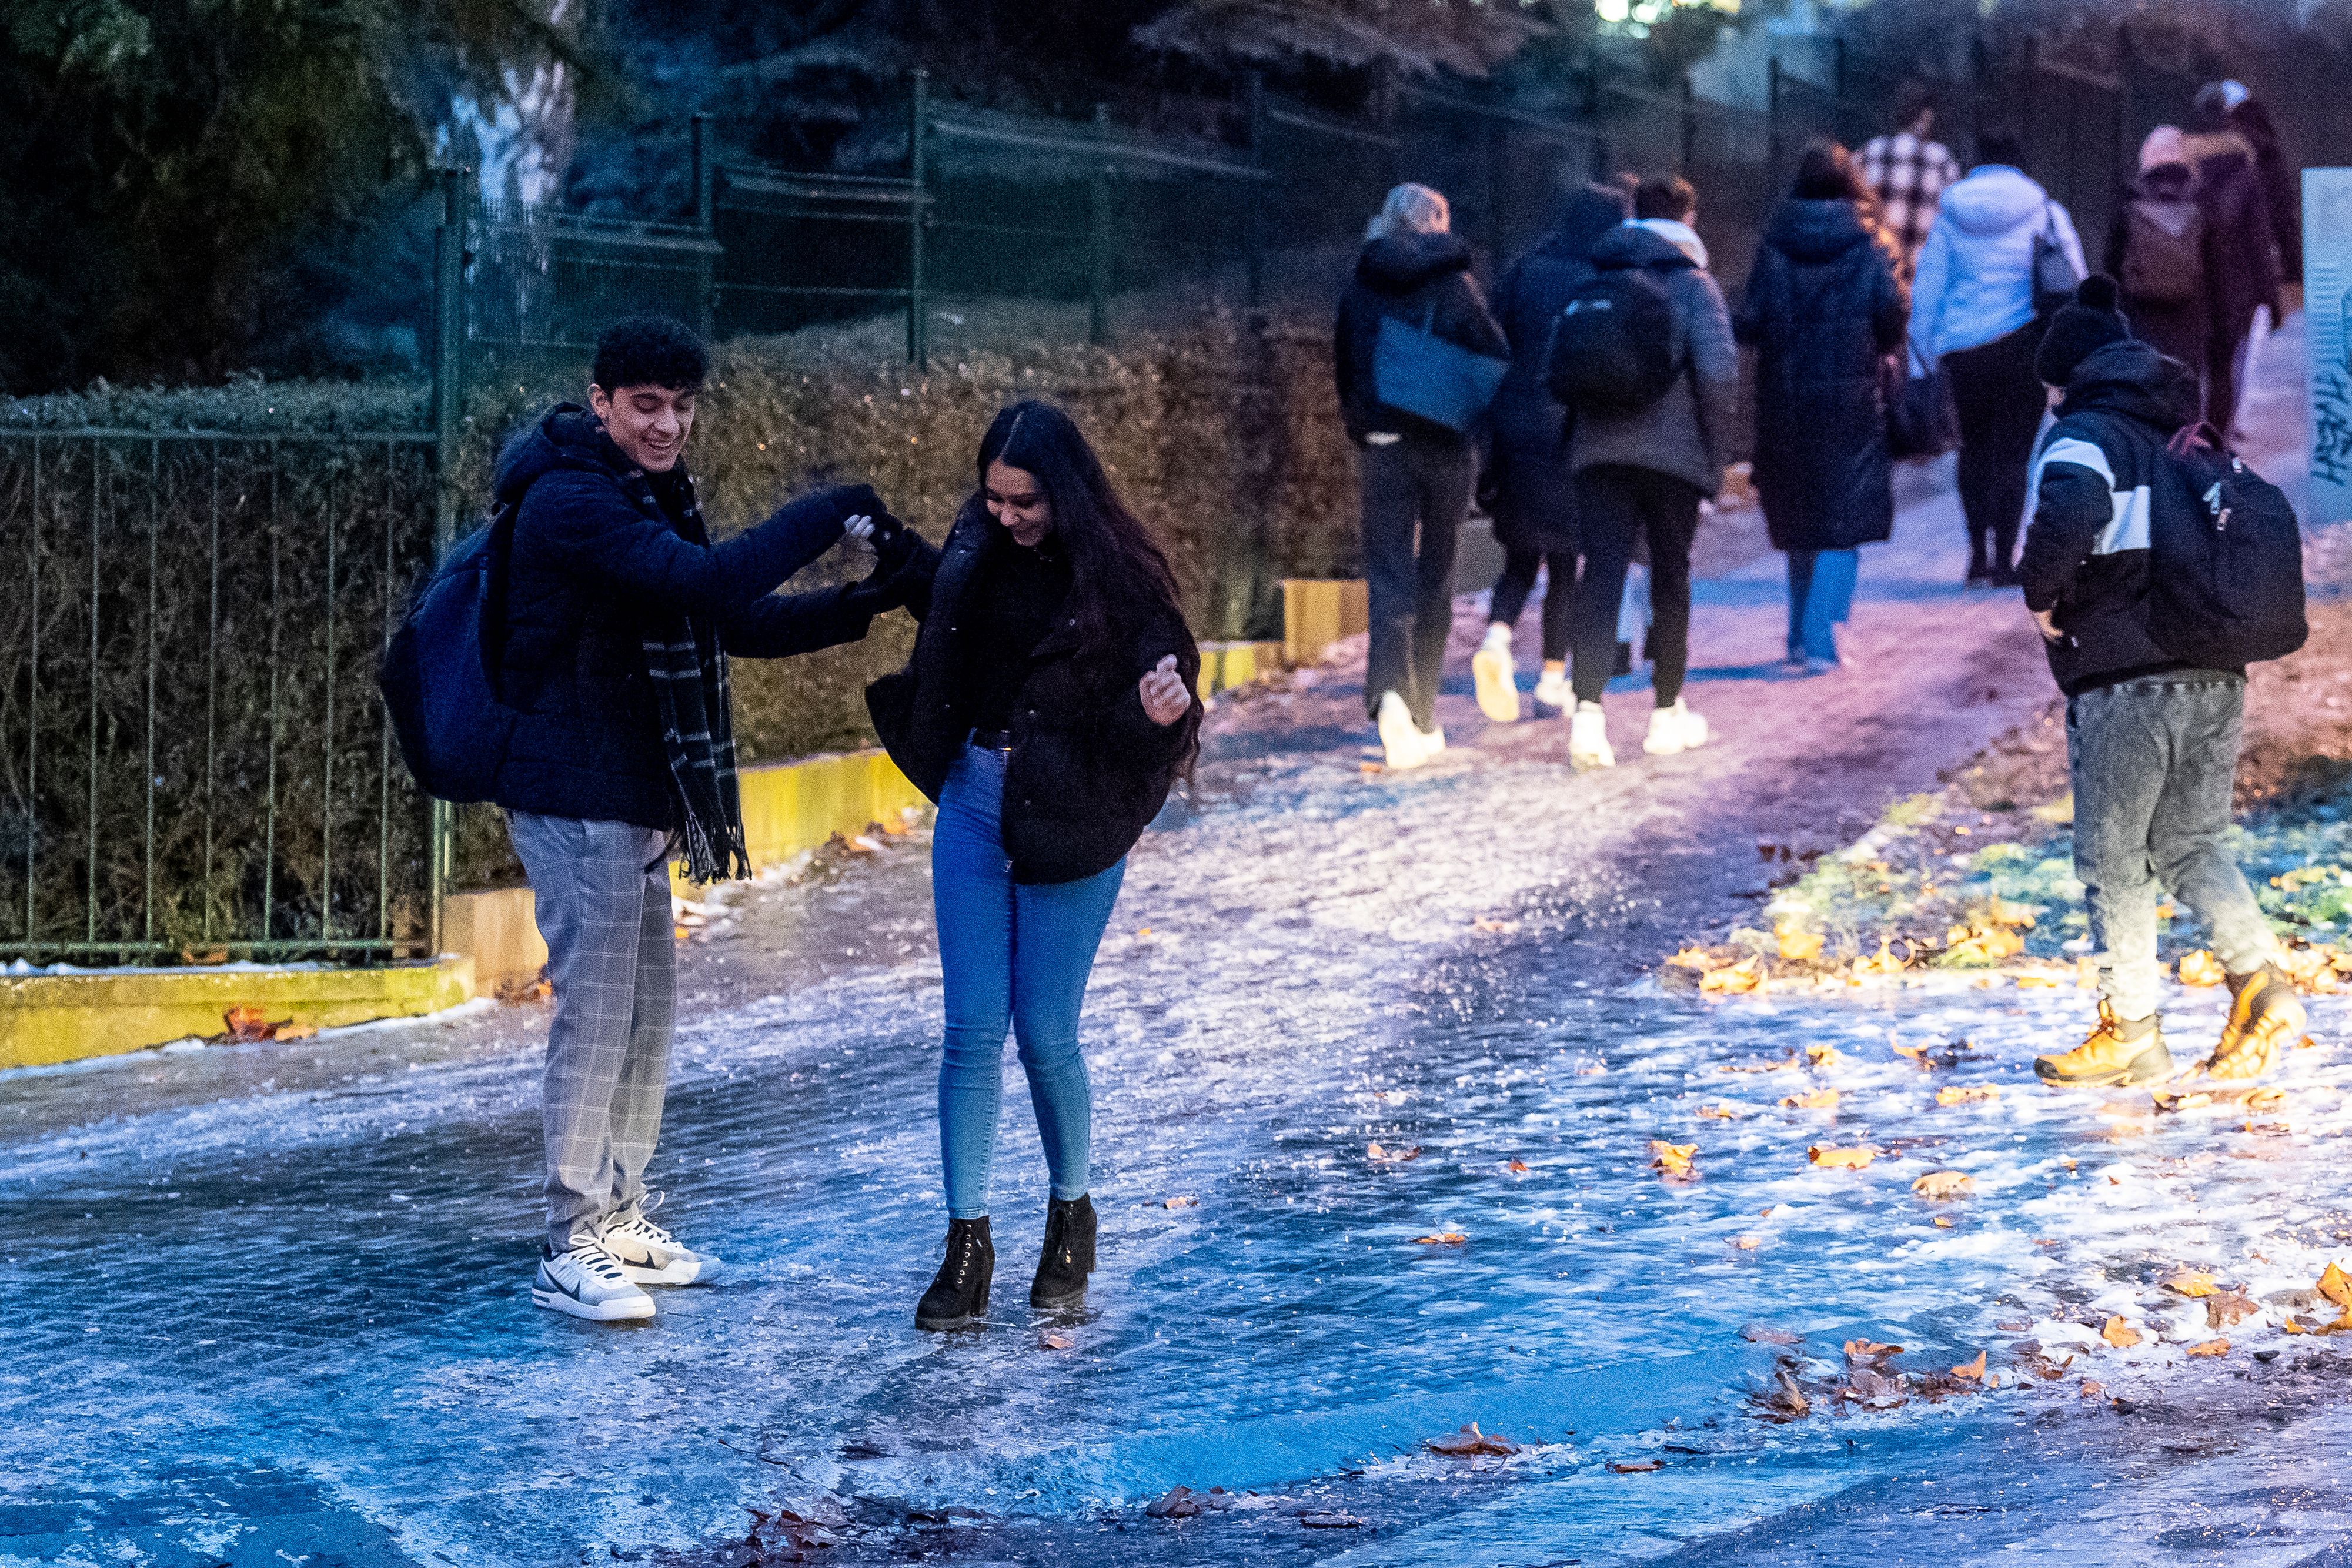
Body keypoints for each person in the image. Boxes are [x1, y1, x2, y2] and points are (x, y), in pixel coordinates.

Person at [491, 313, 917, 1322]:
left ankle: (619, 1211)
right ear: (600, 402)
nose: (667, 424)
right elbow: (708, 581)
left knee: (644, 1015)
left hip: (633, 797)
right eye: (646, 405)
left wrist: (863, 602)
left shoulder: (650, 496)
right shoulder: (568, 500)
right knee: (597, 1017)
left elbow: (732, 619)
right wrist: (828, 511)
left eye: (682, 407)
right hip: (574, 791)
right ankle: (569, 1240)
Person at [866, 400, 1202, 1332]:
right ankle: (965, 1243)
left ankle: (1070, 1213)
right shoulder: (980, 546)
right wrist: (888, 548)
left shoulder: (1123, 579)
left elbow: (1162, 689)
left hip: (1073, 811)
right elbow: (953, 607)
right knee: (971, 1027)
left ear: (1066, 490)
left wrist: (1162, 709)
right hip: (975, 797)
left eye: (1026, 501)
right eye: (994, 498)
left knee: (1044, 1027)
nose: (1008, 516)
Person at [2018, 278, 2306, 1088]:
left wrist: (2041, 597)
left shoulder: (2086, 433)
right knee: (2191, 843)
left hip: (2125, 680)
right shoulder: (2188, 437)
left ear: (2068, 377)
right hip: (2214, 674)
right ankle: (2260, 979)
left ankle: (2131, 1028)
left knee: (2113, 857)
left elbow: (2068, 510)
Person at [1562, 173, 1740, 769]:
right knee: (1671, 576)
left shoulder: (1598, 275)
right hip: (1675, 456)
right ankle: (1666, 714)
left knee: (1600, 575)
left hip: (1599, 450)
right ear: (1687, 222)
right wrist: (1713, 459)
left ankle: (1587, 717)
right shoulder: (1694, 285)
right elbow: (1717, 375)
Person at [1334, 182, 1508, 768]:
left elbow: (1346, 359)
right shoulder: (1456, 282)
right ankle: (1426, 714)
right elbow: (1491, 353)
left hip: (1385, 444)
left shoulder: (1364, 278)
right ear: (1437, 222)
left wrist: (1364, 425)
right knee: (1438, 573)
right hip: (1446, 446)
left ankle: (1388, 701)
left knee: (1387, 576)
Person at [1736, 143, 1909, 673]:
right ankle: (1820, 633)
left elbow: (1749, 320)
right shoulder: (1873, 241)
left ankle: (1797, 631)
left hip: (1785, 398)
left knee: (1799, 517)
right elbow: (1892, 314)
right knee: (1845, 513)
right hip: (1852, 397)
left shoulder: (1774, 242)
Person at [1473, 179, 1631, 723]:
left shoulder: (1524, 271)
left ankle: (1495, 640)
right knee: (1566, 563)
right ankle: (1550, 681)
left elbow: (1494, 343)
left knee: (1520, 553)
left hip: (1516, 428)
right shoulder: (1603, 279)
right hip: (1573, 430)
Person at [1910, 131, 2085, 586]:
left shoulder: (1950, 214)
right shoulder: (2045, 210)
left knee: (1973, 450)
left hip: (1963, 350)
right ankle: (2007, 559)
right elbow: (2077, 279)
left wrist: (1922, 355)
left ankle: (1976, 554)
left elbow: (1928, 286)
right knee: (2013, 455)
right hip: (2025, 346)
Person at [2183, 84, 2286, 443]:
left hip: (2188, 287)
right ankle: (2212, 441)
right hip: (2234, 289)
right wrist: (2270, 298)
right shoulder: (2245, 170)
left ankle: (2183, 437)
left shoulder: (2178, 163)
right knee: (2225, 369)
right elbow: (2258, 240)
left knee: (2190, 368)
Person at [2105, 126, 2212, 408]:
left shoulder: (2129, 201)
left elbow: (2111, 263)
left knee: (2142, 391)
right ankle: (2181, 448)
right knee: (2183, 394)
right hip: (2189, 315)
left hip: (2141, 314)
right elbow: (2213, 266)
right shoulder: (2201, 201)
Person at [1859, 82, 1963, 280]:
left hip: (1874, 278)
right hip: (1921, 280)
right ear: (1925, 116)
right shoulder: (1941, 160)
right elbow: (1955, 222)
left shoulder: (1869, 153)